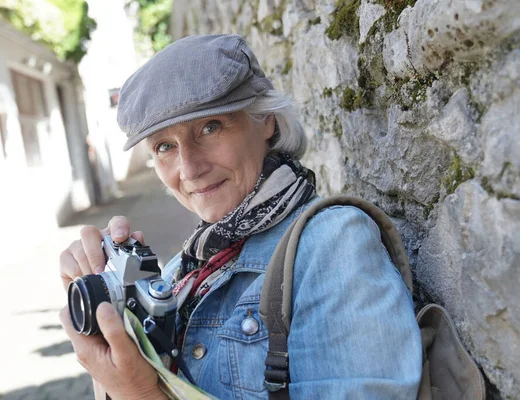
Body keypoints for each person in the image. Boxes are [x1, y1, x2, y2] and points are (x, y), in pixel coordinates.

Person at [58, 34, 422, 399]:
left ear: (265, 120)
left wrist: (141, 393)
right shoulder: (183, 271)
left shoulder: (333, 244)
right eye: (164, 147)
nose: (189, 169)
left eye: (209, 127)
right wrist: (114, 319)